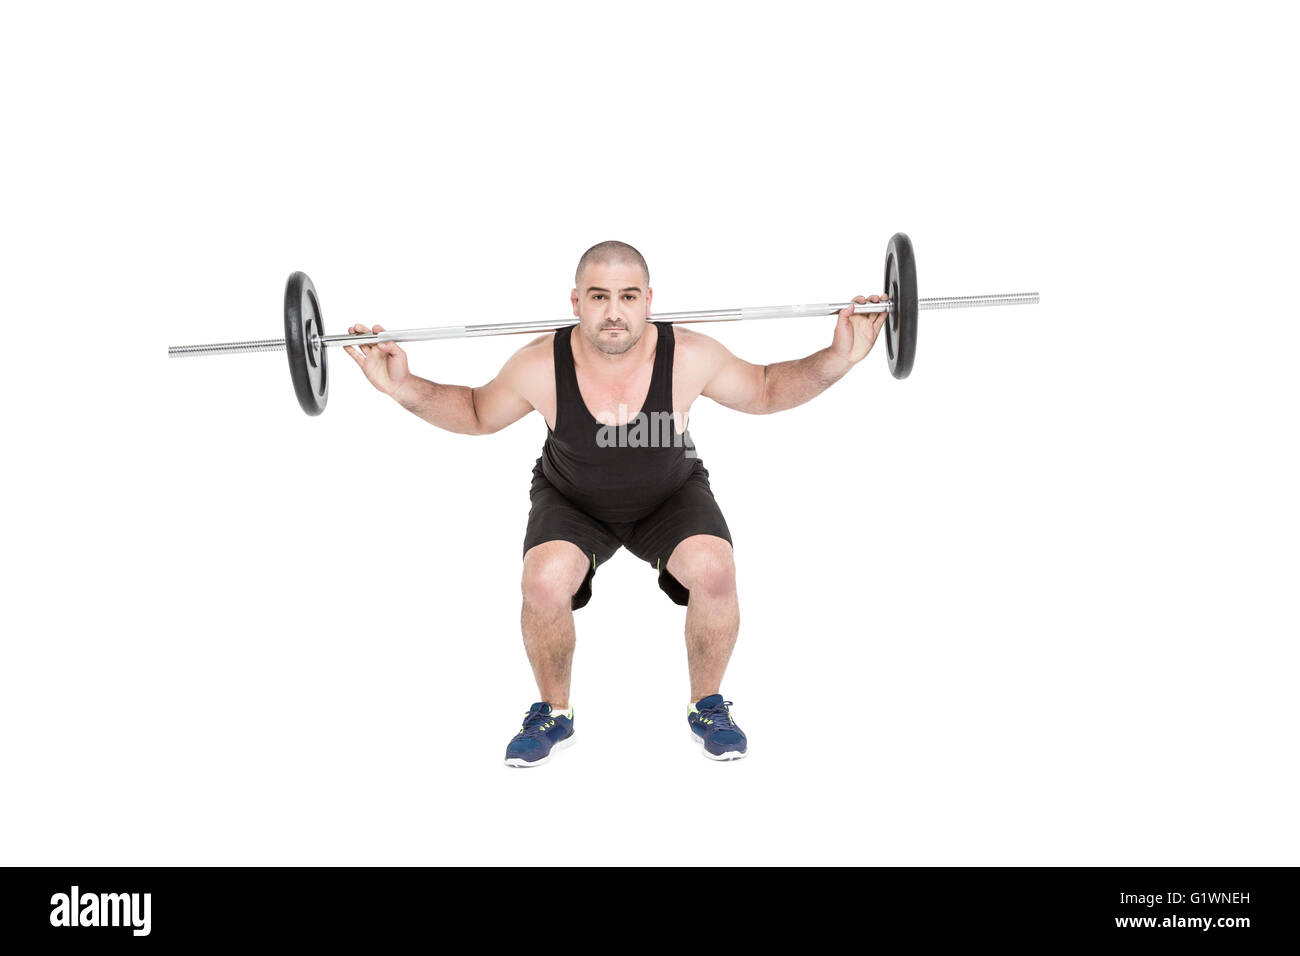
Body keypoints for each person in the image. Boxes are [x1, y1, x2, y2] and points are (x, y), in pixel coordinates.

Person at [345, 241, 887, 766]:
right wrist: (402, 386)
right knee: (543, 579)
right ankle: (554, 712)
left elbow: (766, 389)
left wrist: (841, 356)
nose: (613, 312)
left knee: (715, 569)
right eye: (599, 296)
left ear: (649, 300)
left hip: (668, 496)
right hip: (571, 499)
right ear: (575, 302)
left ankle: (708, 706)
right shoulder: (539, 362)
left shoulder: (690, 356)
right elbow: (476, 412)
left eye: (628, 296)